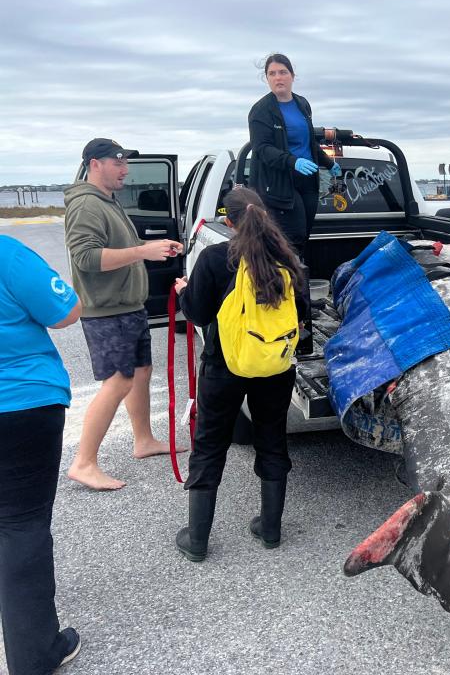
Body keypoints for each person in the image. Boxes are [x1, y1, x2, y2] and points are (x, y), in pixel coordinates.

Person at [173, 187, 307, 561]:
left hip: (223, 366)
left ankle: (197, 539)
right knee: (271, 439)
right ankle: (270, 528)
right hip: (275, 367)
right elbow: (302, 316)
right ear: (263, 215)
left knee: (210, 444)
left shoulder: (216, 259)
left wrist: (184, 292)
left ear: (229, 222)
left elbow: (198, 314)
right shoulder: (288, 258)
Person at [63, 138, 185, 491]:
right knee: (118, 380)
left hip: (128, 306)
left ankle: (143, 440)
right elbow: (87, 259)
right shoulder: (87, 205)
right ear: (94, 164)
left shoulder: (107, 201)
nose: (124, 169)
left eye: (124, 162)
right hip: (107, 309)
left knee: (141, 372)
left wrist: (151, 250)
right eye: (117, 162)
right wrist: (143, 251)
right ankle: (83, 462)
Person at [0, 235, 83, 674]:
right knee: (22, 526)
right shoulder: (7, 254)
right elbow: (66, 311)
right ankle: (34, 655)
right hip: (20, 404)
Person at [248, 53, 342, 254]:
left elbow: (309, 141)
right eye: (272, 74)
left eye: (282, 72)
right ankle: (290, 280)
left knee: (304, 235)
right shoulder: (261, 110)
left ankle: (299, 277)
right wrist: (293, 161)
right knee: (292, 237)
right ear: (267, 78)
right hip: (280, 184)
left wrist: (327, 163)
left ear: (292, 75)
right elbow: (262, 149)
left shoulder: (302, 104)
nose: (278, 78)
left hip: (307, 180)